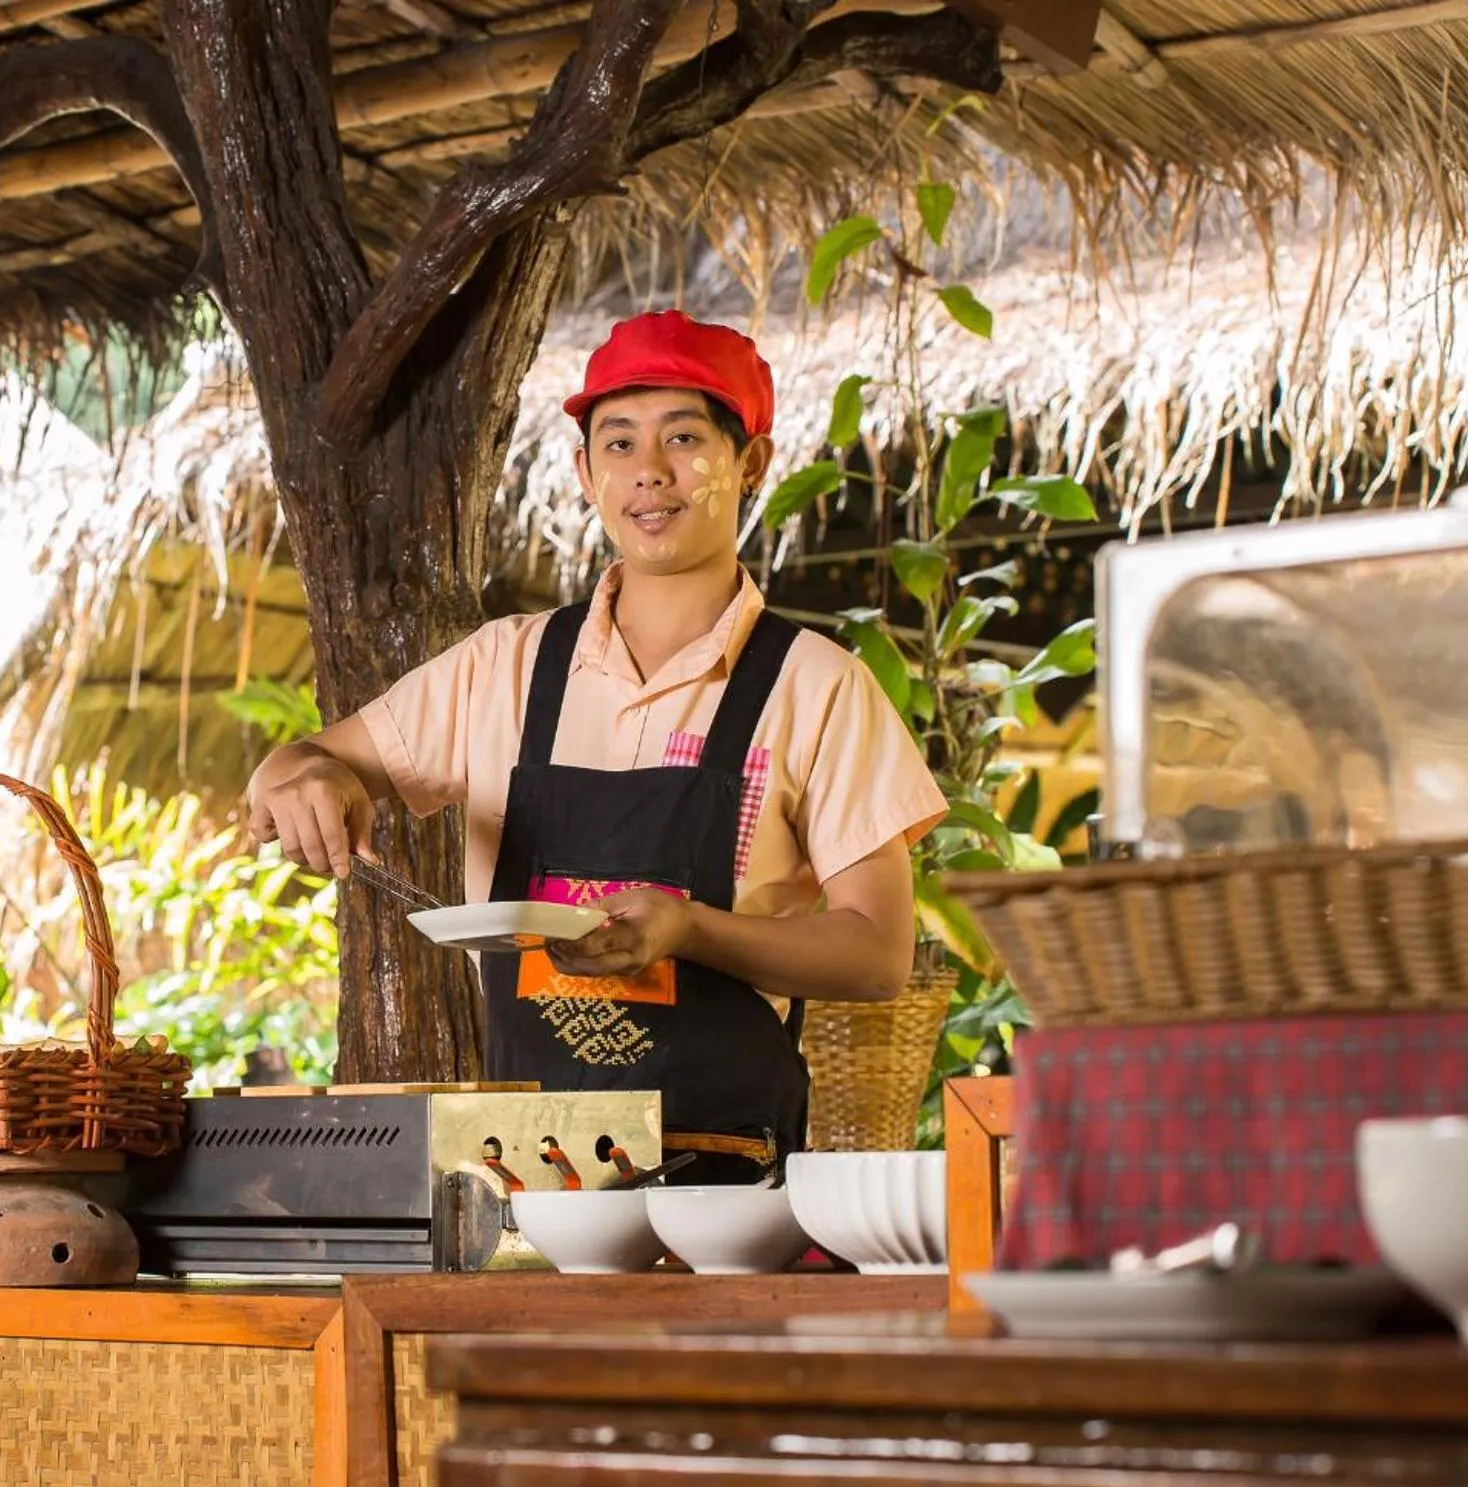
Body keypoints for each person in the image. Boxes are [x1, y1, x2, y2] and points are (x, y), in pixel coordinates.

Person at [246, 310, 946, 1181]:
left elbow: (878, 955)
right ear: (585, 473)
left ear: (751, 463)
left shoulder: (819, 688)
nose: (649, 472)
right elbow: (305, 762)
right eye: (618, 444)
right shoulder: (506, 664)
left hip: (724, 1182)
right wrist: (302, 778)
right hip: (524, 1177)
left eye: (684, 437)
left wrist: (689, 929)